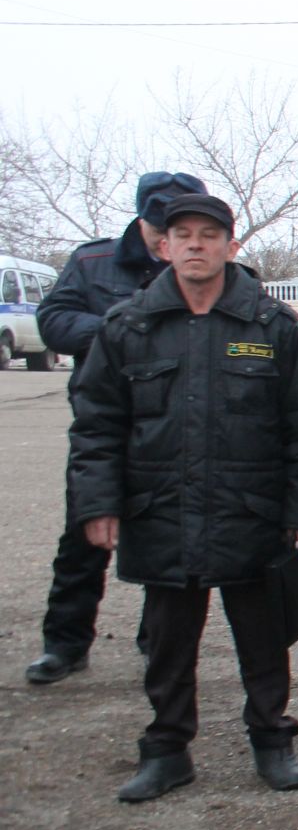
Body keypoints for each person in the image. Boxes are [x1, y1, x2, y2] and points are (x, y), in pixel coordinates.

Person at [65, 195, 298, 802]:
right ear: (163, 247)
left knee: (263, 639)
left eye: (210, 234)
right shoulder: (129, 327)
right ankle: (167, 749)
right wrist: (97, 503)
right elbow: (96, 424)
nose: (196, 245)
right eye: (183, 234)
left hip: (251, 512)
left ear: (232, 247)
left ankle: (272, 741)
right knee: (167, 642)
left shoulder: (271, 327)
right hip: (163, 511)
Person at [25, 171, 207, 685]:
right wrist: (119, 329)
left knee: (170, 538)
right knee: (82, 537)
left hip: (176, 426)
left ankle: (159, 641)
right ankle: (65, 642)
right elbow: (53, 321)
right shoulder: (92, 262)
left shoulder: (202, 262)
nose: (163, 236)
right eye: (156, 224)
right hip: (106, 423)